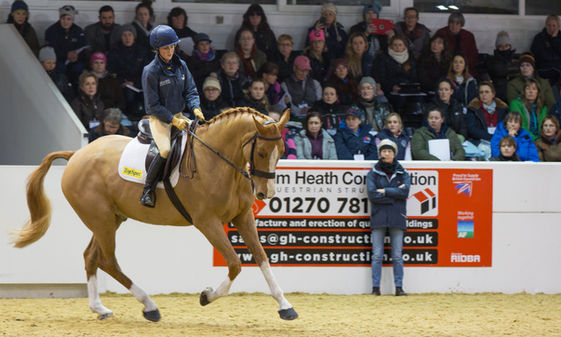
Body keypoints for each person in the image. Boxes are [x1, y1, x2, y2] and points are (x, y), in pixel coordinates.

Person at [140, 25, 204, 207]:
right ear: (156, 49)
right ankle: (148, 190)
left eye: (172, 46)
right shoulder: (150, 71)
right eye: (166, 48)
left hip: (180, 115)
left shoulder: (181, 65)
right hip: (159, 118)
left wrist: (196, 108)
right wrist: (173, 120)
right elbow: (153, 106)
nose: (170, 51)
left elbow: (190, 90)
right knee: (165, 151)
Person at [367, 138, 410, 296]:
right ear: (380, 154)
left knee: (397, 256)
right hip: (379, 217)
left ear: (394, 154)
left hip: (397, 217)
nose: (387, 154)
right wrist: (394, 194)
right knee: (377, 255)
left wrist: (384, 191)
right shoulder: (373, 173)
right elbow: (372, 195)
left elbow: (405, 193)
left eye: (389, 151)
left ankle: (399, 287)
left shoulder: (402, 172)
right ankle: (375, 288)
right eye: (384, 151)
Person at [108, 24, 150, 118]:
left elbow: (146, 71)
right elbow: (112, 72)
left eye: (129, 35)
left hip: (139, 84)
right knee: (128, 95)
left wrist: (135, 82)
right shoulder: (115, 51)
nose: (127, 38)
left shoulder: (141, 51)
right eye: (124, 35)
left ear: (134, 36)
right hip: (122, 84)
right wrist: (123, 82)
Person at [372, 35, 417, 109]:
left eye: (400, 45)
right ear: (391, 46)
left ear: (404, 46)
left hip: (407, 89)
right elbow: (380, 77)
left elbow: (414, 76)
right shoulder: (383, 57)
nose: (398, 47)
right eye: (395, 45)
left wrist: (409, 87)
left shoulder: (410, 58)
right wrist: (392, 87)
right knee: (399, 100)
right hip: (389, 89)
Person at [44, 5, 85, 86]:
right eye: (63, 19)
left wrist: (76, 56)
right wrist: (66, 54)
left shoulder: (78, 31)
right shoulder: (51, 31)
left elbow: (82, 48)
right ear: (60, 18)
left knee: (78, 67)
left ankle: (75, 89)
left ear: (73, 20)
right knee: (60, 68)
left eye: (69, 19)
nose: (66, 22)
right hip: (57, 61)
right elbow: (50, 50)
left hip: (73, 61)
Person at [466, 81, 508, 159]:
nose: (484, 94)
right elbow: (472, 129)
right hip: (480, 141)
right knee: (485, 151)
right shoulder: (473, 108)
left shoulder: (503, 109)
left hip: (500, 140)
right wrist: (490, 137)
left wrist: (497, 137)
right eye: (481, 92)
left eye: (487, 92)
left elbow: (506, 126)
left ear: (493, 94)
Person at [435, 12, 479, 77]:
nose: (454, 26)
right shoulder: (441, 33)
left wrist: (463, 67)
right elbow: (436, 53)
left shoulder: (469, 36)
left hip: (465, 69)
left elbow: (473, 55)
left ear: (461, 24)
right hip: (445, 69)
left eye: (457, 23)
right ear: (448, 23)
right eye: (452, 23)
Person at [481, 31, 520, 103]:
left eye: (506, 46)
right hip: (498, 92)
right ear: (497, 47)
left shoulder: (517, 59)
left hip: (515, 91)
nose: (504, 49)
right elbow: (483, 72)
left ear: (510, 46)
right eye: (501, 46)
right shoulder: (491, 60)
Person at [281, 55, 322, 121]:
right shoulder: (285, 84)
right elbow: (288, 104)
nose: (304, 73)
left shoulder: (315, 83)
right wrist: (299, 111)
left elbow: (319, 102)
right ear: (294, 68)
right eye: (301, 70)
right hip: (294, 118)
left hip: (313, 117)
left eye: (306, 71)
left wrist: (311, 110)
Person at [530, 15, 561, 84]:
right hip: (543, 69)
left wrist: (554, 39)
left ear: (558, 26)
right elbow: (539, 54)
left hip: (558, 70)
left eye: (554, 26)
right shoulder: (539, 38)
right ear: (546, 25)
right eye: (549, 25)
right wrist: (555, 56)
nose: (551, 28)